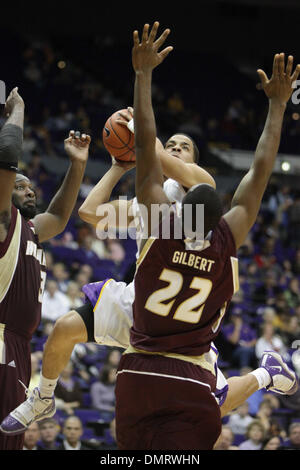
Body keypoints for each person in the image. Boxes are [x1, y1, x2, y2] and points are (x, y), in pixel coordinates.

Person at [2, 29, 299, 443]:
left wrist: (140, 132)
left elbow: (151, 153)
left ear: (195, 162)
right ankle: (43, 396)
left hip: (175, 314)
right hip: (143, 299)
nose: (176, 149)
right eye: (172, 143)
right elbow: (90, 213)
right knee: (67, 326)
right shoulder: (159, 210)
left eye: (184, 146)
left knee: (213, 399)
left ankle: (267, 372)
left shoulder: (196, 185)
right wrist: (117, 166)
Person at [114, 23, 299, 450]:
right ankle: (266, 375)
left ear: (179, 213)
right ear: (218, 219)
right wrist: (277, 108)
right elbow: (260, 173)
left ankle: (265, 376)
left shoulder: (162, 228)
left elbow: (144, 144)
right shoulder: (226, 239)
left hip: (140, 369)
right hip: (193, 377)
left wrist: (143, 75)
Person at [0, 87, 91, 450]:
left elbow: (59, 215)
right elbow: (7, 154)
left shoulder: (33, 229)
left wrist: (78, 164)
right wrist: (16, 111)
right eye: (20, 186)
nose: (29, 191)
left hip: (20, 345)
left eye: (31, 186)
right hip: (1, 337)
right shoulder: (4, 221)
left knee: (13, 439)